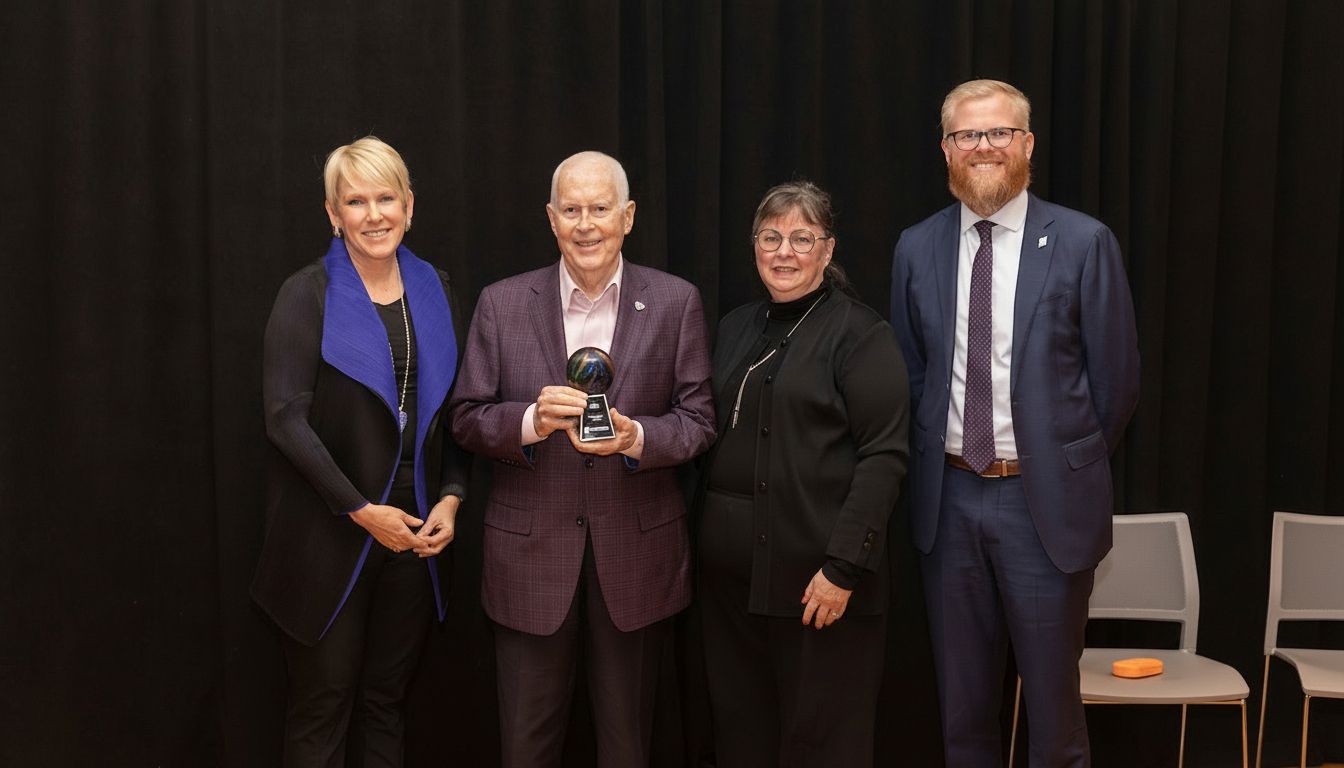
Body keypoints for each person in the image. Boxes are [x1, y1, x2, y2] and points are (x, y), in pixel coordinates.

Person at [890, 79, 1141, 767]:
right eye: (968, 135)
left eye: (999, 133)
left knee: (1054, 720)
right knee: (964, 715)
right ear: (946, 149)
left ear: (1027, 144)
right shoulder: (916, 248)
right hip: (950, 505)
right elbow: (912, 373)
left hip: (1044, 510)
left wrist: (1061, 463)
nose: (984, 147)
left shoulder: (1085, 242)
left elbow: (1115, 384)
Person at [448, 150, 715, 767]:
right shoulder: (501, 303)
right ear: (550, 218)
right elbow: (465, 417)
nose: (586, 224)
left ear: (628, 217)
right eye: (571, 210)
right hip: (530, 559)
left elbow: (699, 423)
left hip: (637, 559)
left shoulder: (676, 302)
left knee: (628, 749)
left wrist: (635, 439)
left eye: (600, 209)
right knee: (526, 749)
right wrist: (530, 422)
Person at [251, 136, 468, 767]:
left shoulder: (437, 288)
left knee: (385, 702)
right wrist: (360, 509)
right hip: (331, 527)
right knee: (324, 705)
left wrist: (453, 498)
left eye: (386, 198)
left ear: (409, 204)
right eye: (356, 201)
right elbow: (284, 420)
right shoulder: (306, 293)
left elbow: (455, 412)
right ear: (332, 214)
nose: (374, 215)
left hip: (418, 528)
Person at [697, 181, 909, 767]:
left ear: (827, 248)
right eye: (771, 237)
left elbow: (885, 456)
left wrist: (842, 568)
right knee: (741, 740)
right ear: (754, 246)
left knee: (819, 746)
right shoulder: (734, 326)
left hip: (819, 591)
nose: (783, 251)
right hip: (729, 594)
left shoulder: (862, 334)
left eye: (801, 238)